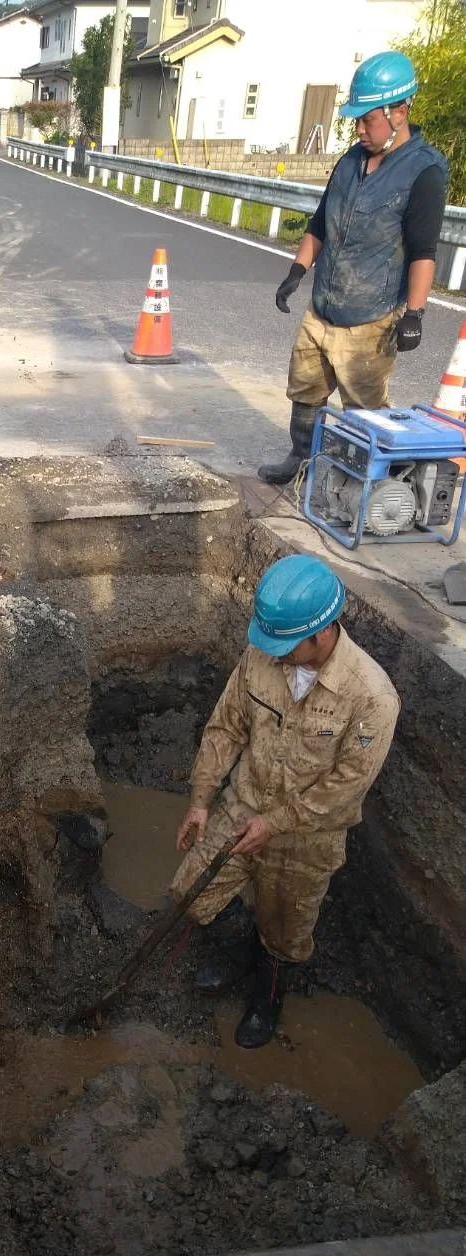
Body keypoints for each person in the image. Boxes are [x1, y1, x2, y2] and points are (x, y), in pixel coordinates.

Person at [170, 555, 400, 1048]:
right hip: (243, 806)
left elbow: (348, 782)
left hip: (306, 838)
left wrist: (277, 822)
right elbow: (226, 726)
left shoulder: (371, 698)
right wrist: (201, 799)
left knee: (285, 931)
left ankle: (266, 997)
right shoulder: (260, 657)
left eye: (285, 646)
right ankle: (238, 953)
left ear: (320, 634)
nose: (273, 654)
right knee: (191, 891)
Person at [259, 52, 448, 485]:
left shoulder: (424, 172)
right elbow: (321, 221)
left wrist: (415, 314)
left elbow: (423, 250)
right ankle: (300, 458)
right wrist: (297, 270)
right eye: (356, 121)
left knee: (364, 409)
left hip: (371, 316)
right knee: (305, 389)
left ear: (399, 112)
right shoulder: (350, 161)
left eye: (367, 119)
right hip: (324, 304)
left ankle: (373, 482)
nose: (359, 129)